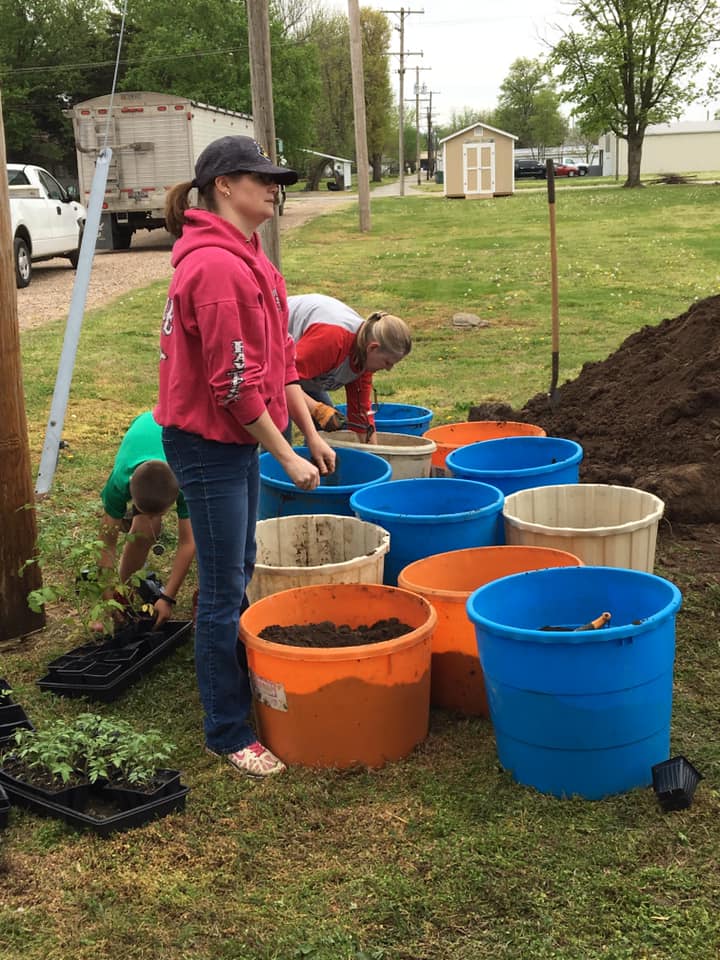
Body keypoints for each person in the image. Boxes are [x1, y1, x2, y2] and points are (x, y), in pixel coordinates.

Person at [155, 135, 336, 779]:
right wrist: (286, 453)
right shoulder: (214, 267)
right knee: (224, 586)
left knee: (240, 564)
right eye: (259, 177)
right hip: (207, 442)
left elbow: (276, 361)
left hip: (236, 435)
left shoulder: (253, 256)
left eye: (276, 178)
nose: (274, 187)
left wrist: (310, 430)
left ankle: (230, 681)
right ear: (222, 187)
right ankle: (226, 730)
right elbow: (231, 385)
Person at [93, 410, 195, 632]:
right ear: (130, 487)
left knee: (153, 526)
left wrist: (168, 598)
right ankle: (122, 593)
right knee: (145, 528)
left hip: (184, 426)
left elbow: (188, 543)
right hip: (146, 423)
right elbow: (105, 545)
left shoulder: (187, 478)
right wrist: (107, 600)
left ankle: (127, 585)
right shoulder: (120, 479)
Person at [287, 293, 412, 443]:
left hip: (302, 369)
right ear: (373, 348)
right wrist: (316, 409)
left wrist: (376, 457)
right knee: (280, 435)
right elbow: (280, 381)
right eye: (387, 362)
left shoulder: (363, 360)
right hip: (268, 356)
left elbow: (361, 418)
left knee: (328, 431)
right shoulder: (330, 341)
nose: (389, 369)